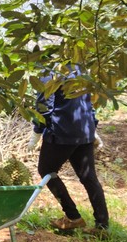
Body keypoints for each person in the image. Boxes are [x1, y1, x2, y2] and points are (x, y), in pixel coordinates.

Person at [27, 64, 109, 233]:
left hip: (62, 132)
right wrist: (92, 128)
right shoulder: (80, 69)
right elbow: (88, 103)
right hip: (84, 130)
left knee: (46, 171)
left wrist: (37, 132)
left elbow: (44, 106)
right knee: (89, 177)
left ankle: (73, 217)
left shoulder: (49, 71)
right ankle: (102, 226)